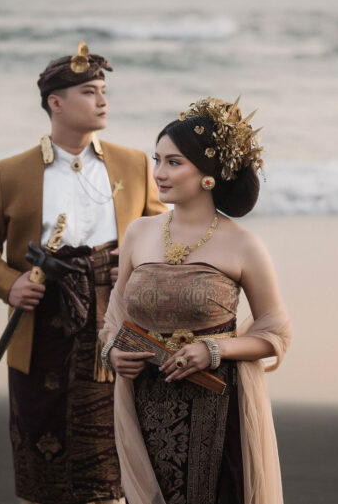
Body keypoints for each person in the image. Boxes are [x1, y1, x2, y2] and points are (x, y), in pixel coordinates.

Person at [0, 41, 166, 504]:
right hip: (41, 327)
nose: (102, 100)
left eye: (103, 91)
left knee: (113, 452)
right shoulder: (13, 172)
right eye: (89, 92)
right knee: (42, 448)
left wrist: (140, 267)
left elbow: (162, 239)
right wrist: (10, 284)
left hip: (114, 324)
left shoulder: (134, 164)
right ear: (55, 103)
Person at [100, 97, 292, 504]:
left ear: (208, 175)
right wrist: (112, 353)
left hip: (215, 403)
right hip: (142, 401)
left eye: (174, 162)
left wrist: (215, 349)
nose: (158, 173)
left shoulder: (244, 245)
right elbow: (116, 313)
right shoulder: (139, 232)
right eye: (157, 160)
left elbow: (275, 332)